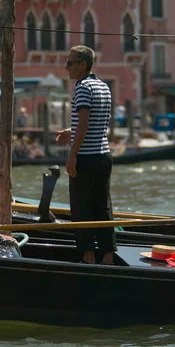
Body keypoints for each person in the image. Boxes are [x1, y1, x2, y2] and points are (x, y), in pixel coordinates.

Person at [55, 45, 115, 265]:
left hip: (86, 158)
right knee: (103, 206)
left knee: (81, 208)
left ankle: (88, 257)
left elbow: (84, 122)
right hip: (103, 156)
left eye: (70, 63)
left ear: (82, 65)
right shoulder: (104, 87)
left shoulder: (82, 88)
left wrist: (72, 155)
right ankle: (108, 256)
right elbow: (96, 124)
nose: (66, 67)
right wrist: (70, 132)